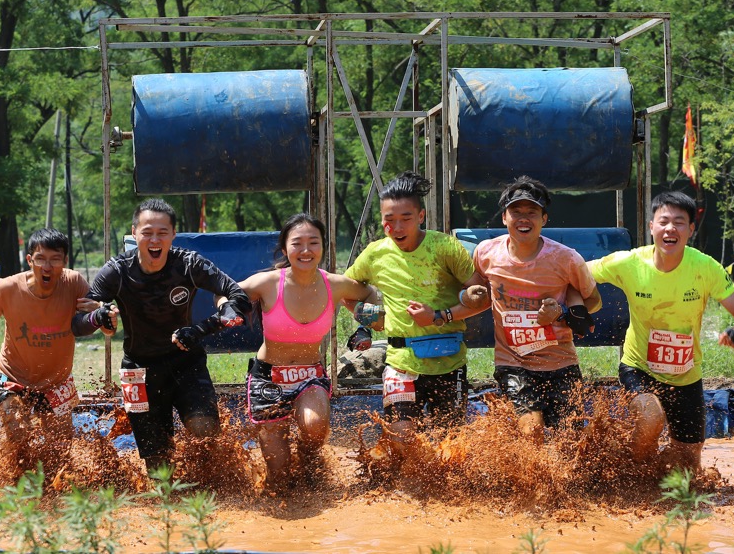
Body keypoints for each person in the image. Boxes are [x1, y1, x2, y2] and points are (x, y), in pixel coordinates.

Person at [73, 198, 251, 473]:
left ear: (173, 235)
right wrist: (99, 316)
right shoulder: (117, 271)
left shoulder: (189, 264)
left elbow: (238, 297)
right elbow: (78, 323)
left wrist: (200, 329)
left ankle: (214, 489)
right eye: (147, 232)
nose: (154, 240)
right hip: (138, 369)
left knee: (205, 431)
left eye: (162, 233)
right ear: (134, 233)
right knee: (158, 464)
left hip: (186, 362)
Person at [587, 191, 734, 471]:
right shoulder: (628, 263)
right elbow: (575, 272)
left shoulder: (705, 267)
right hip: (639, 367)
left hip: (686, 376)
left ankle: (650, 473)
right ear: (651, 226)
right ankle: (626, 474)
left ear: (690, 230)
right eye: (664, 221)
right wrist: (573, 307)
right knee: (650, 418)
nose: (670, 229)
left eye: (679, 222)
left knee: (688, 469)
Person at [429, 176, 602, 443]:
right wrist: (444, 314)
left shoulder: (566, 258)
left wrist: (563, 314)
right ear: (504, 218)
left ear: (544, 219)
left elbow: (595, 301)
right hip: (513, 362)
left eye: (532, 212)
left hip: (561, 362)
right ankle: (531, 483)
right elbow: (479, 299)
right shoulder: (487, 253)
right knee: (531, 431)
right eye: (516, 212)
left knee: (571, 442)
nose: (524, 219)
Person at [0, 228, 115, 453]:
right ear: (30, 260)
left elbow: (102, 327)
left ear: (65, 261)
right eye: (41, 259)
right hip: (12, 376)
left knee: (60, 449)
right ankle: (14, 483)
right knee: (19, 436)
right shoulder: (7, 288)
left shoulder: (74, 283)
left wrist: (106, 316)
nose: (47, 267)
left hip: (56, 382)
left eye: (55, 259)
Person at [237, 213, 381, 489]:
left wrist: (364, 327)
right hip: (269, 379)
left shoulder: (336, 285)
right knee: (278, 475)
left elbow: (369, 293)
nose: (306, 250)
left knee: (315, 428)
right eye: (297, 243)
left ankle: (308, 460)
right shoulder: (267, 283)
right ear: (285, 249)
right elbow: (226, 292)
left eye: (313, 242)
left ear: (324, 247)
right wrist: (226, 308)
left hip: (309, 376)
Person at [344, 171, 478, 459]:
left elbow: (483, 296)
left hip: (448, 360)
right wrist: (367, 318)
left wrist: (439, 316)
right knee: (400, 439)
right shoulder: (375, 254)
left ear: (421, 216)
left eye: (405, 218)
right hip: (400, 362)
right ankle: (406, 493)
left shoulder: (445, 247)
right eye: (389, 220)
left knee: (451, 447)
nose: (397, 226)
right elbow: (347, 290)